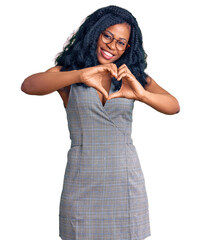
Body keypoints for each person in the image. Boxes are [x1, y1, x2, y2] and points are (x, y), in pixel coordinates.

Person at [21, 5, 180, 240]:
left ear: (128, 47)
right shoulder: (68, 73)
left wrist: (141, 95)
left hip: (124, 180)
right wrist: (80, 75)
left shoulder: (132, 76)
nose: (112, 46)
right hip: (81, 179)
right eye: (107, 36)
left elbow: (173, 105)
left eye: (121, 42)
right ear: (95, 32)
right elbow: (28, 85)